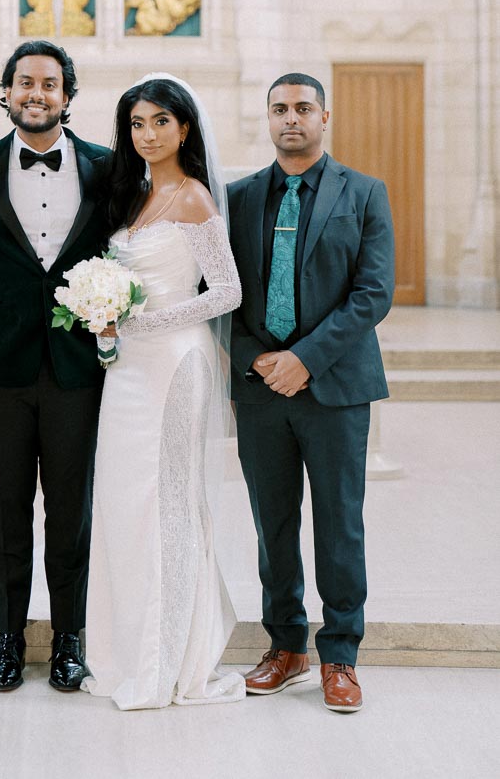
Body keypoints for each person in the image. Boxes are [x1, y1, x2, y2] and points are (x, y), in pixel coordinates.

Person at [227, 73, 394, 713]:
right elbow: (221, 294)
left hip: (336, 387)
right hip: (262, 387)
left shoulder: (366, 193)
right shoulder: (238, 198)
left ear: (324, 116)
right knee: (273, 525)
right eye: (279, 109)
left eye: (302, 108)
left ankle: (342, 655)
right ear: (267, 119)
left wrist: (306, 360)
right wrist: (262, 360)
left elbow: (372, 293)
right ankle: (287, 645)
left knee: (339, 524)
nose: (290, 118)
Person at [82, 73, 246, 710]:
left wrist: (144, 323)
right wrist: (106, 329)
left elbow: (225, 291)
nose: (147, 135)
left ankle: (170, 658)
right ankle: (127, 650)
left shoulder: (194, 198)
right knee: (126, 505)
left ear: (184, 129)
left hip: (176, 365)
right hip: (126, 371)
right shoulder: (137, 198)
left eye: (160, 123)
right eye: (137, 124)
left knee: (169, 501)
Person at [0, 41, 110, 693]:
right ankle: (8, 638)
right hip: (1, 367)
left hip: (79, 367)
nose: (36, 93)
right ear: (7, 93)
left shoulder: (107, 167)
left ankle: (69, 637)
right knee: (7, 509)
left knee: (70, 510)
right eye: (25, 82)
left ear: (67, 95)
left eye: (49, 83)